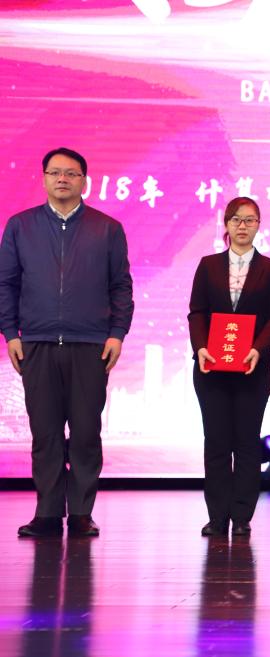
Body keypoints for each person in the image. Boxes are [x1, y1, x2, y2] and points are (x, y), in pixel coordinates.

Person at [0, 147, 134, 538]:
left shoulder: (107, 228)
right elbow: (6, 284)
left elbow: (120, 286)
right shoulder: (20, 226)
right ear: (43, 178)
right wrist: (11, 333)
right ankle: (46, 513)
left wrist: (117, 333)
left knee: (86, 433)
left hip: (90, 344)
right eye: (55, 172)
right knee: (45, 433)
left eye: (71, 173)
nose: (62, 179)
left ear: (84, 181)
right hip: (37, 342)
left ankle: (80, 513)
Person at [188, 197, 270, 537]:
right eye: (236, 219)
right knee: (216, 442)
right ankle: (217, 517)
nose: (242, 226)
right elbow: (197, 312)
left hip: (252, 369)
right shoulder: (208, 265)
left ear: (258, 225)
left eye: (250, 220)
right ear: (226, 225)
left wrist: (259, 349)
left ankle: (242, 516)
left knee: (246, 443)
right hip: (211, 368)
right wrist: (201, 347)